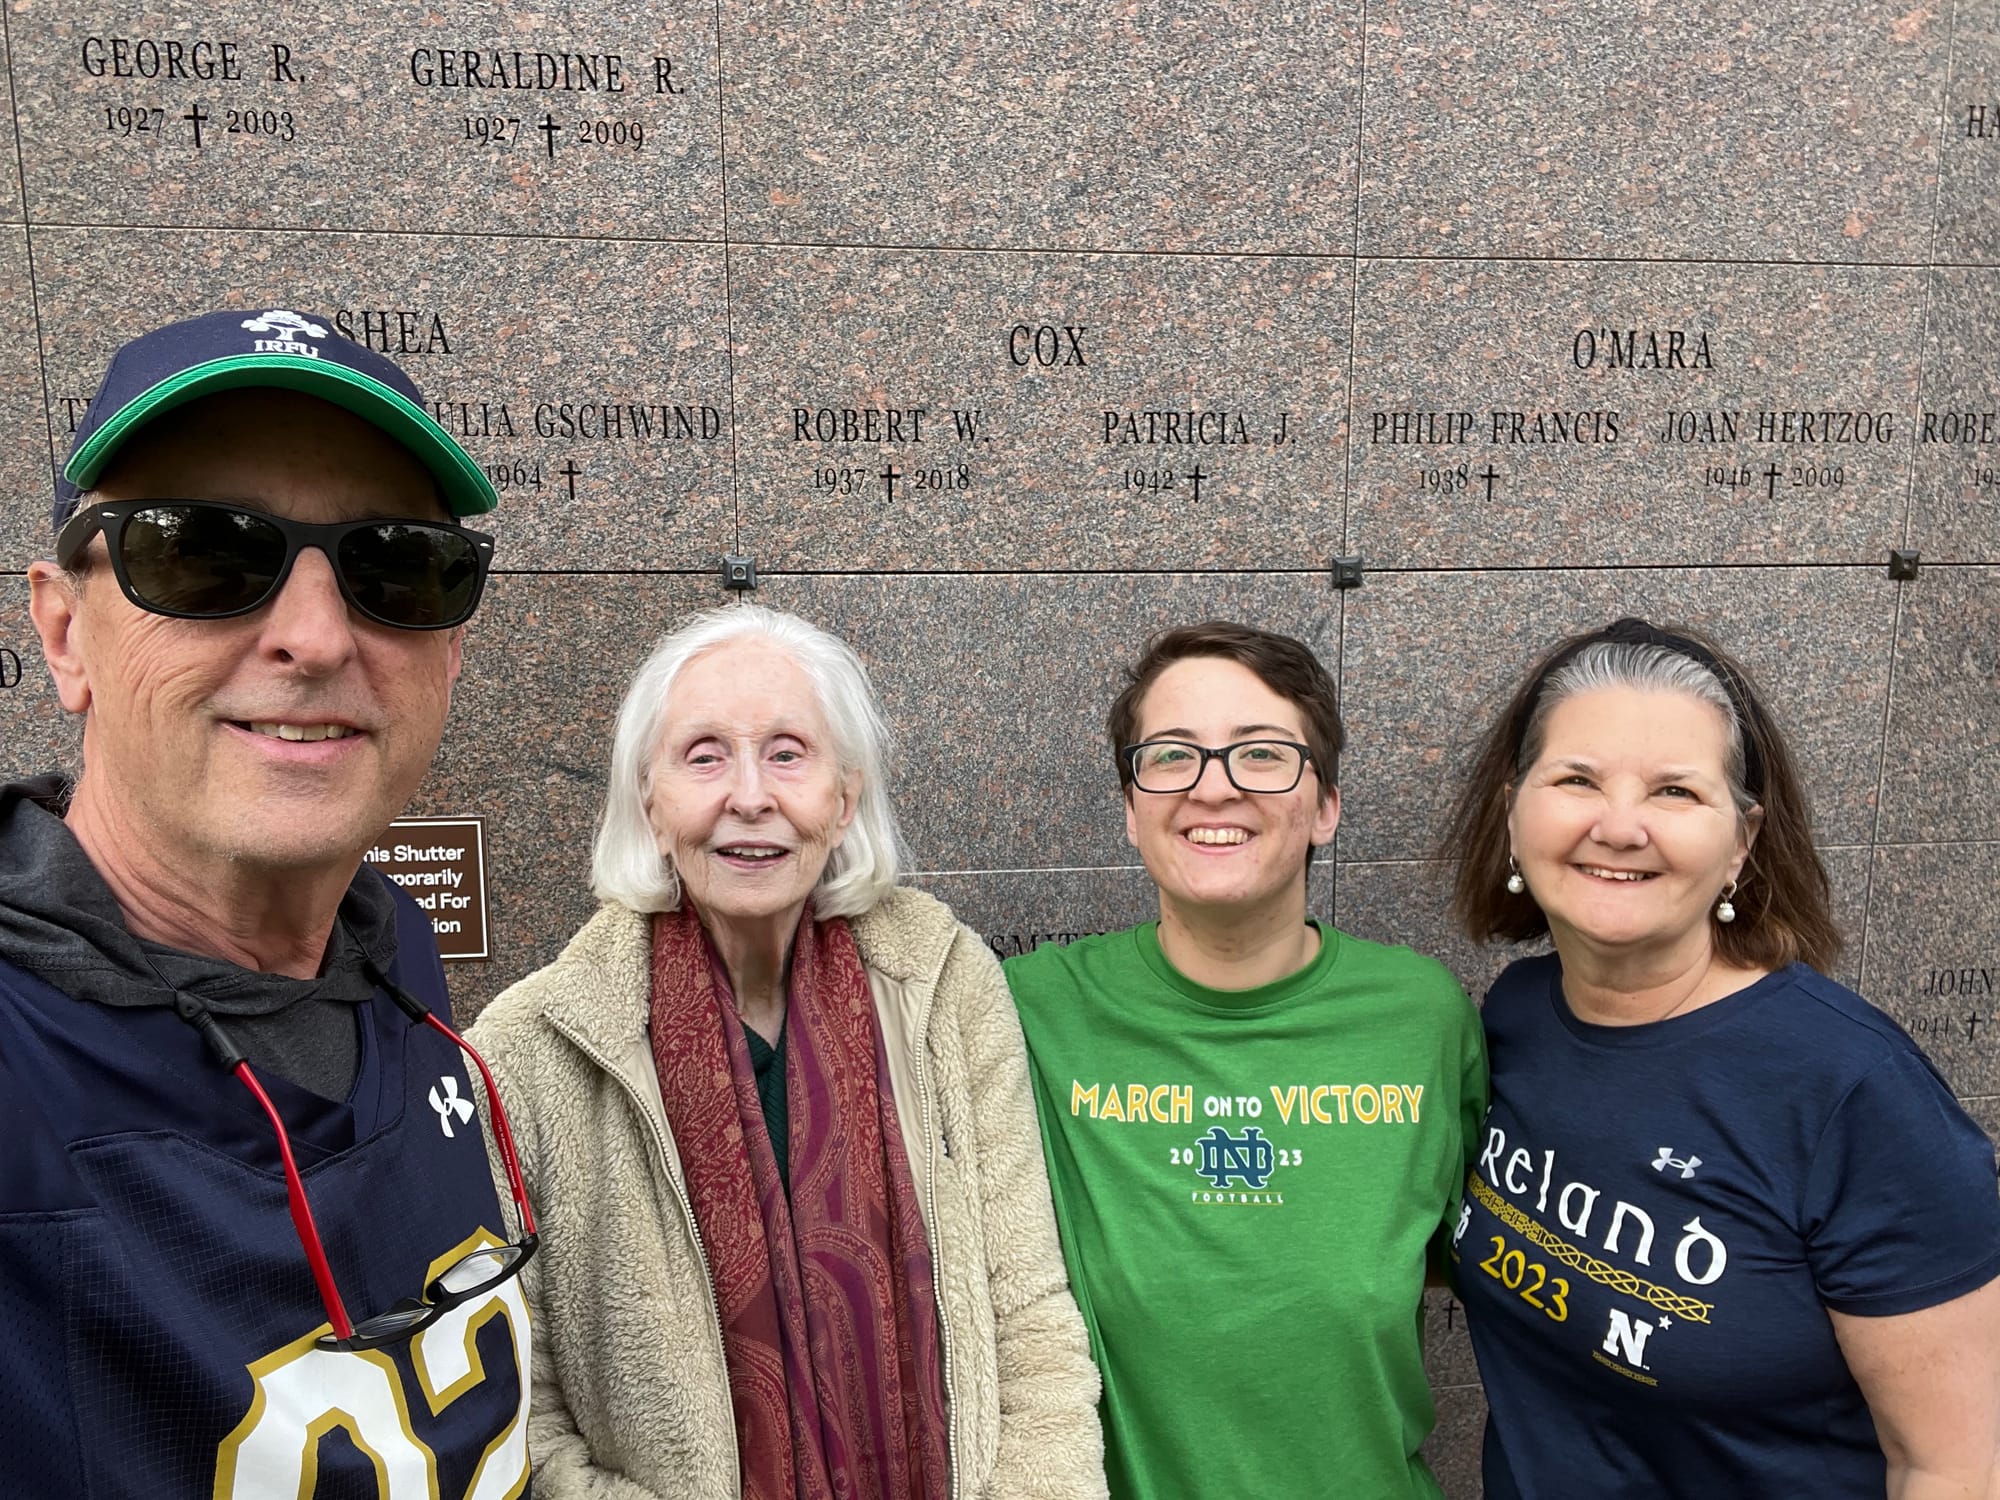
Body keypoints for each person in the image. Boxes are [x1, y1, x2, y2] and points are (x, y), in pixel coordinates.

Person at [2, 308, 535, 1497]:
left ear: (450, 651)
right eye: (201, 552)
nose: (313, 635)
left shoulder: (390, 940)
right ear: (63, 629)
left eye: (397, 565)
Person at [466, 603, 1105, 1500]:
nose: (751, 796)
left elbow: (1029, 1318)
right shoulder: (533, 1048)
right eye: (704, 756)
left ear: (844, 800)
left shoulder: (945, 986)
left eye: (787, 753)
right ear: (649, 804)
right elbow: (515, 1405)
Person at [1444, 615, 2000, 1499]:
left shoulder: (1851, 1090)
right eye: (1577, 779)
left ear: (1741, 842)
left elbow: (1956, 1466)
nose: (1620, 826)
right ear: (1514, 811)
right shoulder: (1513, 1020)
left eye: (1675, 792)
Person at [1004, 620, 1488, 1500]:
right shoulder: (1026, 1011)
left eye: (1262, 755)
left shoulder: (1423, 1019)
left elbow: (1485, 1269)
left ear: (1326, 805)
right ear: (1131, 808)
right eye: (1173, 756)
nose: (1213, 789)